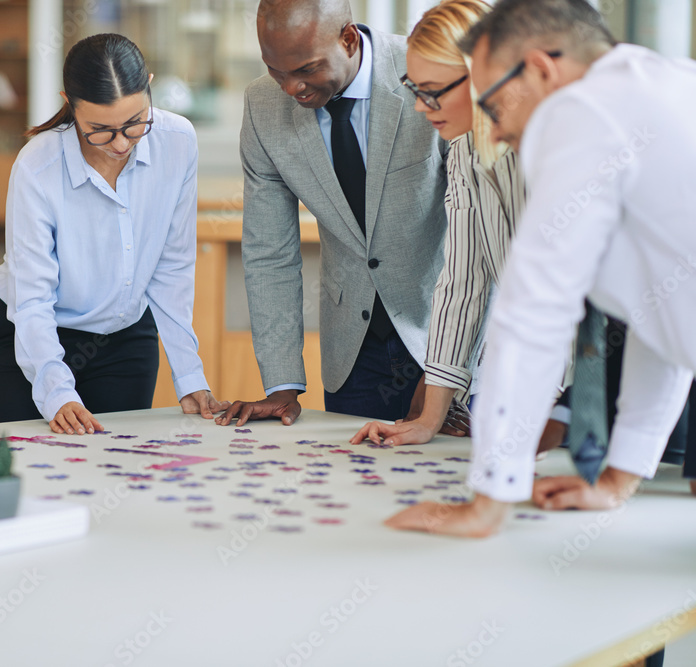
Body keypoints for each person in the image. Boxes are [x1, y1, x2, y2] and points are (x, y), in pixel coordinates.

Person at [386, 0, 696, 538]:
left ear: (542, 69)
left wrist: (488, 500)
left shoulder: (581, 114)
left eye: (493, 101)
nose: (493, 123)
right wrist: (618, 479)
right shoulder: (662, 85)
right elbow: (666, 316)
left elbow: (533, 312)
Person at [217, 0, 456, 429]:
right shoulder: (263, 107)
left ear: (347, 39)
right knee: (352, 488)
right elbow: (270, 254)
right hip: (353, 354)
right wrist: (282, 385)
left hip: (444, 330)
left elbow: (479, 234)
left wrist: (445, 373)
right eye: (276, 70)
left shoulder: (425, 71)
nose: (291, 88)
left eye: (306, 69)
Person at [350, 0, 571, 452]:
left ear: (484, 74)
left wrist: (550, 410)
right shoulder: (467, 148)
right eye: (414, 88)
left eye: (432, 90)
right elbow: (463, 282)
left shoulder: (555, 145)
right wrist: (430, 418)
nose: (418, 107)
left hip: (611, 373)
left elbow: (563, 298)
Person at [0, 34, 229, 435]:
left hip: (125, 337)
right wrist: (56, 390)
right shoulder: (37, 166)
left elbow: (172, 267)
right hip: (34, 333)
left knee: (119, 473)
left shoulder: (178, 142)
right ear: (70, 102)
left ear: (149, 84)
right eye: (99, 129)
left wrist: (189, 375)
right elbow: (32, 298)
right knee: (35, 471)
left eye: (135, 124)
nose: (120, 144)